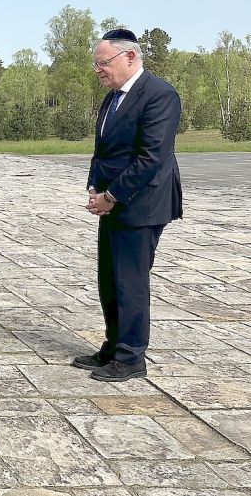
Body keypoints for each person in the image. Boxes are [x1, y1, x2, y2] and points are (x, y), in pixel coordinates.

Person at [73, 28, 183, 382]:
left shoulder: (159, 95)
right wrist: (95, 185)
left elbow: (150, 158)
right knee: (110, 279)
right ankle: (114, 346)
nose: (98, 70)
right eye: (96, 64)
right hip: (113, 202)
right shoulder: (112, 97)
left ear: (130, 57)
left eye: (103, 63)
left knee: (131, 281)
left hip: (143, 204)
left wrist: (111, 196)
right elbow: (103, 148)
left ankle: (132, 357)